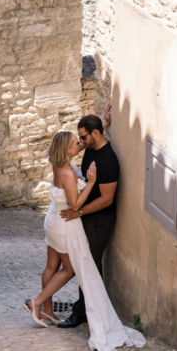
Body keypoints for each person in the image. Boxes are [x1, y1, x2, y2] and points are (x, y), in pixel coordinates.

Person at [25, 128, 144, 351]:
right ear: (67, 150)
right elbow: (75, 205)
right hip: (63, 224)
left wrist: (107, 124)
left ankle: (48, 311)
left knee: (51, 266)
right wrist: (90, 182)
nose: (79, 144)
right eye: (75, 143)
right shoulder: (68, 174)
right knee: (69, 269)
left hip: (52, 218)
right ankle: (37, 303)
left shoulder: (59, 166)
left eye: (80, 141)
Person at [57, 111, 118, 331]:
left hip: (99, 220)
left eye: (83, 138)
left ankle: (84, 313)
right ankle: (93, 309)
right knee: (85, 263)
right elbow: (77, 147)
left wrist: (79, 213)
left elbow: (107, 199)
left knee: (89, 264)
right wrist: (106, 122)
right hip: (86, 216)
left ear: (94, 134)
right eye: (79, 139)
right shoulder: (92, 147)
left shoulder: (108, 161)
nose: (80, 143)